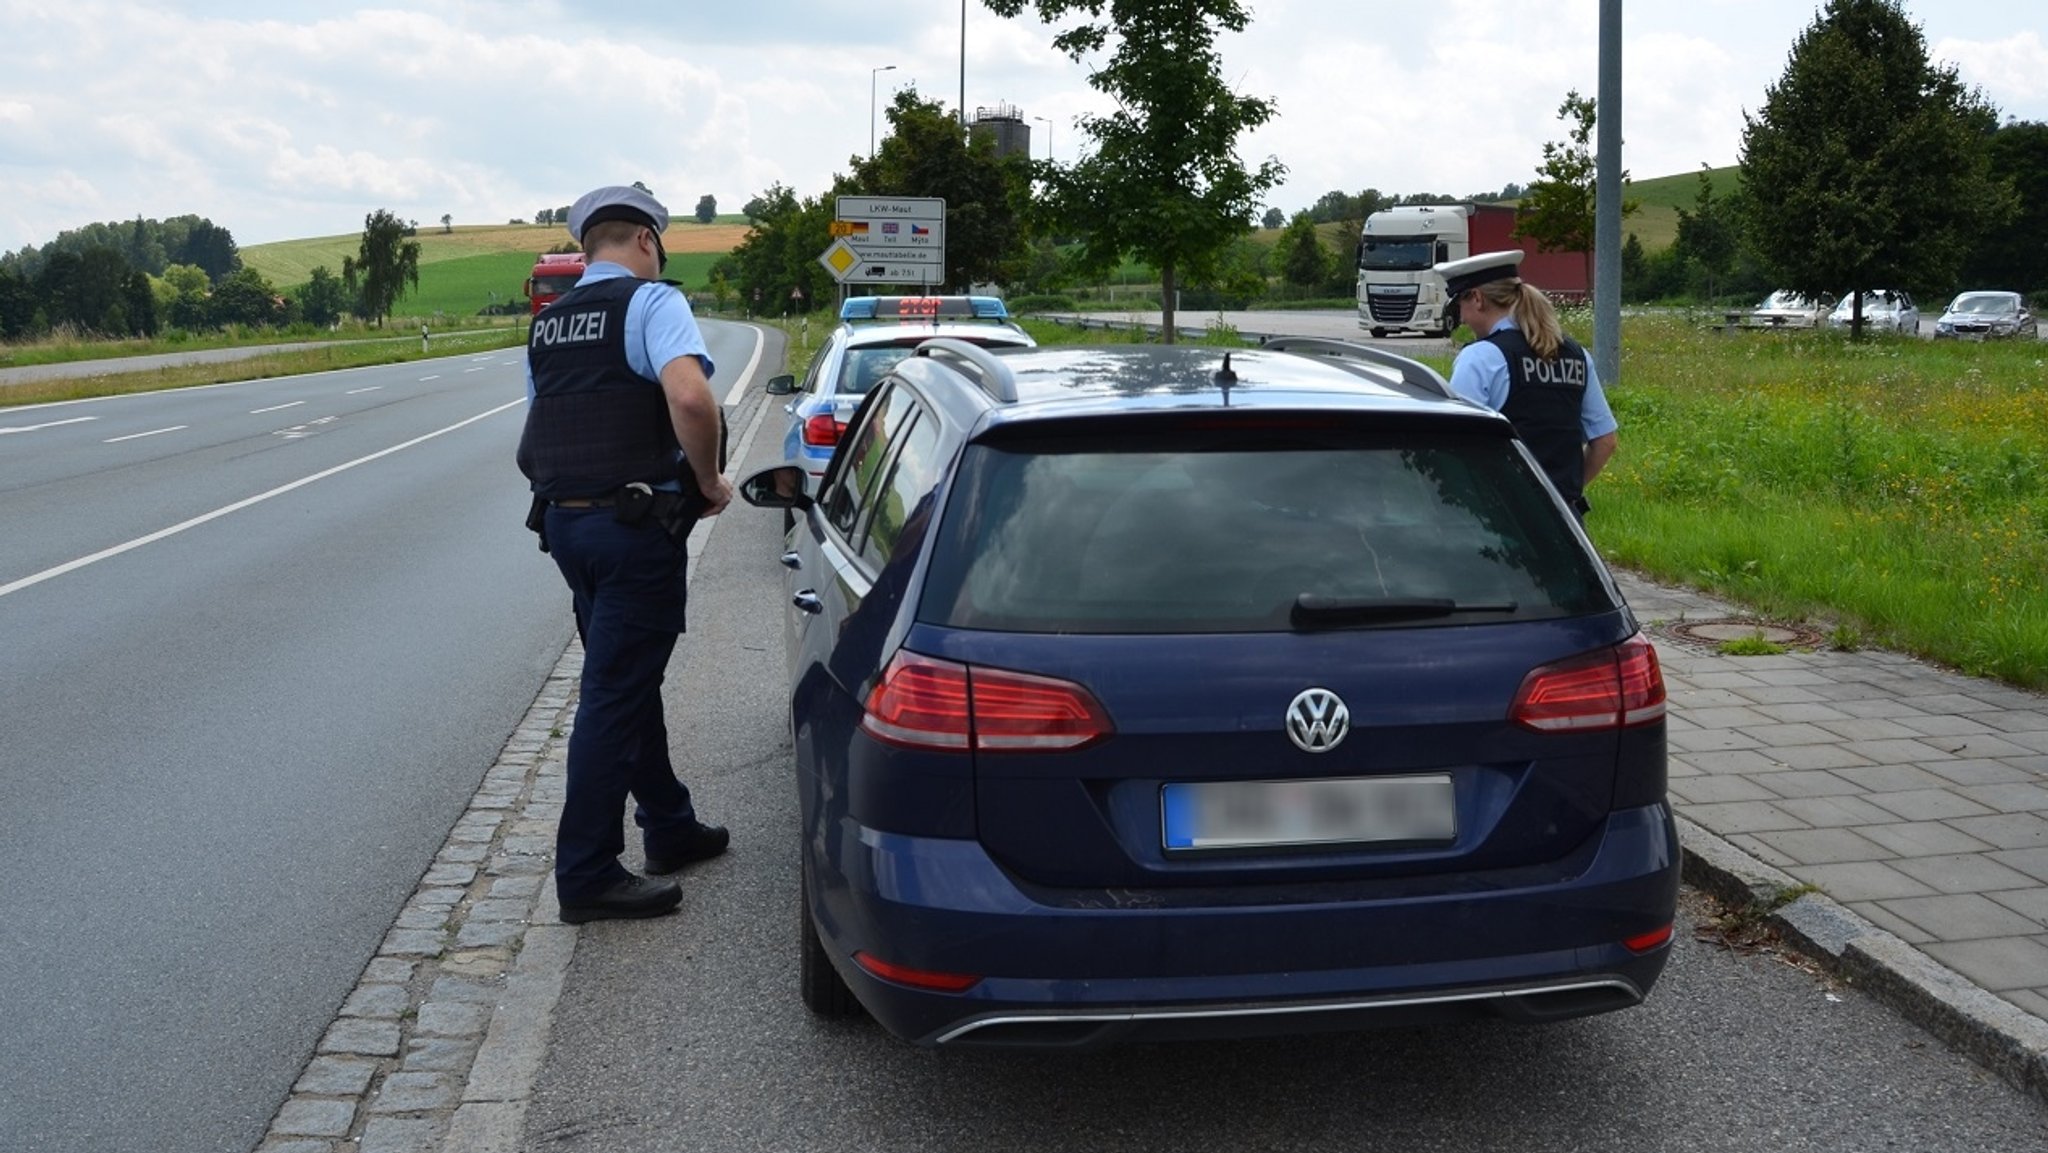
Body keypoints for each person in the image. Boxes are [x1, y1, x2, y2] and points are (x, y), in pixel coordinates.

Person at [517, 185, 735, 924]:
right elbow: (694, 399)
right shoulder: (651, 303)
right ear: (645, 241)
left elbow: (534, 432)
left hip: (567, 529)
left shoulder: (547, 328)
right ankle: (586, 871)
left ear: (585, 250)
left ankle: (669, 825)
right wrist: (708, 481)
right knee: (613, 694)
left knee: (626, 678)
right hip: (636, 529)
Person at [1436, 250, 1618, 519]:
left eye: (1458, 306)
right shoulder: (1577, 354)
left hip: (1502, 517)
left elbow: (1456, 447)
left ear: (1476, 298)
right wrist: (1563, 495)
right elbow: (1606, 441)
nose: (1461, 318)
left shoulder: (1480, 357)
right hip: (1565, 521)